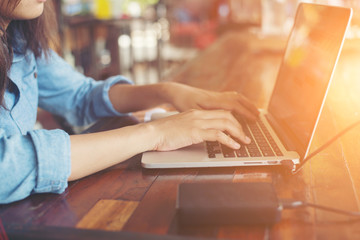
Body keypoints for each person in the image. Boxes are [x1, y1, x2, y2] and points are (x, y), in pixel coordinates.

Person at [0, 0, 259, 204]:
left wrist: (169, 91)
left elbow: (80, 96)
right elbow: (7, 166)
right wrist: (154, 133)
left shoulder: (20, 37)